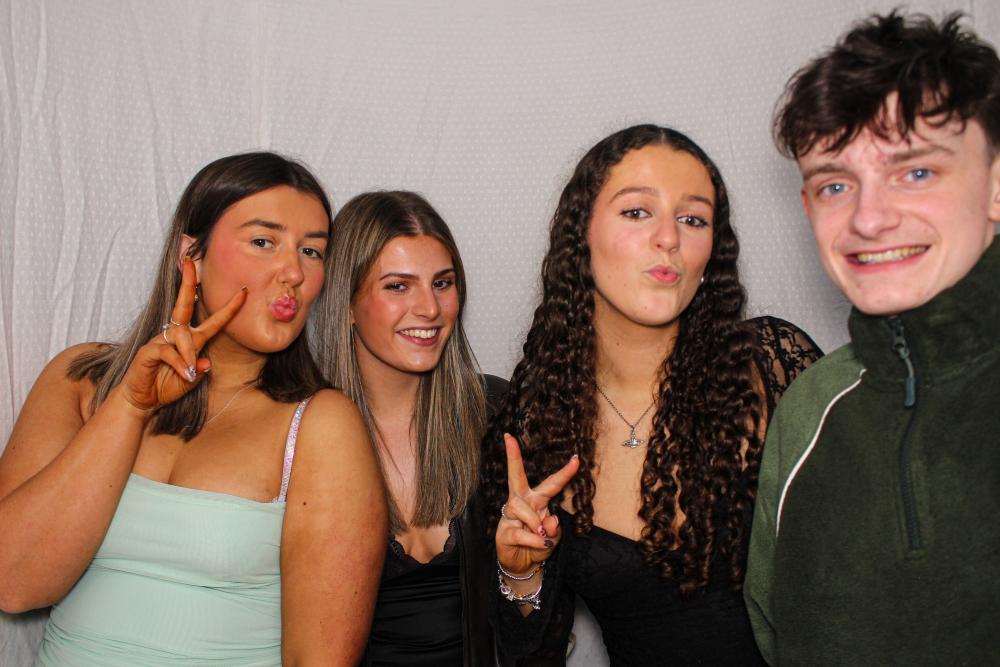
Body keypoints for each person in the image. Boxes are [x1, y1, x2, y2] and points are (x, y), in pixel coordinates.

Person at [0, 152, 387, 665]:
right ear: (192, 255)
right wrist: (129, 406)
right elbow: (14, 583)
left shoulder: (321, 424)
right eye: (263, 241)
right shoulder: (81, 380)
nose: (293, 272)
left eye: (312, 251)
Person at [483, 124, 822, 665]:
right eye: (637, 211)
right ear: (581, 236)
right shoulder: (535, 422)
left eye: (693, 219)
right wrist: (519, 573)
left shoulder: (776, 366)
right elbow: (532, 651)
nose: (669, 238)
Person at [743, 11, 1000, 665]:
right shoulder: (808, 408)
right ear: (808, 207)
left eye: (915, 172)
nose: (869, 218)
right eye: (835, 184)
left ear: (996, 183)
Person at [314, 190, 504, 666]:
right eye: (398, 286)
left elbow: (536, 629)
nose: (429, 308)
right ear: (347, 302)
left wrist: (528, 574)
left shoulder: (497, 413)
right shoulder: (300, 433)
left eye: (442, 283)